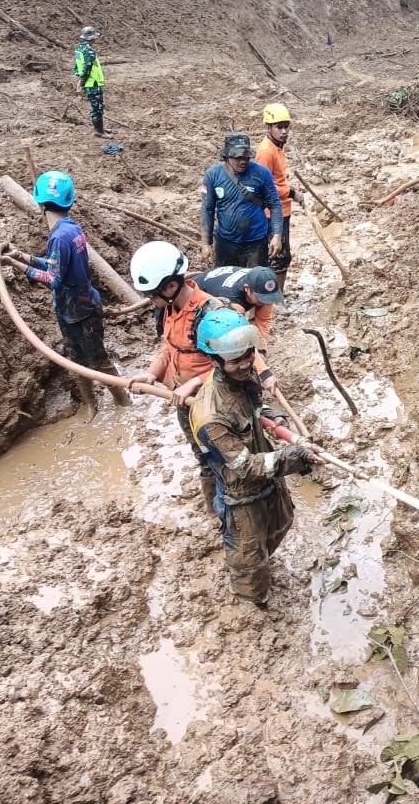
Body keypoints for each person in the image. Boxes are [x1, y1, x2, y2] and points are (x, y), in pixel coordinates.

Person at [189, 308, 319, 605]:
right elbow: (244, 467)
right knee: (249, 568)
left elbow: (255, 409)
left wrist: (273, 418)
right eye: (236, 360)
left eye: (249, 354)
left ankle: (263, 560)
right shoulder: (211, 416)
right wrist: (295, 456)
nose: (246, 363)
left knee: (281, 525)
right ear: (215, 361)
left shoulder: (244, 380)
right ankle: (253, 606)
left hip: (269, 484)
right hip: (242, 497)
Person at [1, 170, 129, 420]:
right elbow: (54, 264)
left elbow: (53, 278)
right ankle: (93, 404)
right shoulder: (71, 228)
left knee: (98, 360)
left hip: (80, 311)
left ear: (39, 202)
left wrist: (16, 266)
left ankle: (123, 401)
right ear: (70, 200)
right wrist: (23, 256)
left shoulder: (59, 236)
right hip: (73, 308)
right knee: (75, 359)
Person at [129, 241, 222, 511]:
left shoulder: (211, 313)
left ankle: (232, 510)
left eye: (152, 295)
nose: (150, 301)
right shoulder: (169, 308)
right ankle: (213, 509)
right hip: (185, 400)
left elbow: (234, 366)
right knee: (203, 455)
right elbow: (170, 347)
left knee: (224, 456)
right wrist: (151, 374)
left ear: (170, 286)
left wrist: (194, 383)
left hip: (213, 401)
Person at [153, 264, 283, 392]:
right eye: (261, 299)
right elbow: (239, 340)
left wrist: (261, 350)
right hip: (196, 297)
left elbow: (263, 322)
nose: (266, 302)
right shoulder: (227, 304)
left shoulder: (260, 287)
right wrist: (264, 373)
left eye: (269, 299)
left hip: (208, 290)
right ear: (247, 289)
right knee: (208, 348)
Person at [201, 132, 284, 270]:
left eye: (246, 157)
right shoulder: (213, 175)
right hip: (225, 242)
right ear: (226, 156)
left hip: (256, 242)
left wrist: (277, 235)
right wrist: (206, 242)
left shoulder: (262, 173)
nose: (243, 161)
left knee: (254, 284)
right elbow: (207, 209)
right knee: (226, 283)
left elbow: (275, 205)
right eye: (238, 157)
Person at [255, 104, 301, 293]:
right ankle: (273, 298)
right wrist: (291, 193)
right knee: (277, 256)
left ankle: (276, 294)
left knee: (282, 255)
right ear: (269, 127)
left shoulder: (277, 147)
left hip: (282, 209)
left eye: (286, 126)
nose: (283, 131)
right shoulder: (266, 152)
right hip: (272, 212)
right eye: (278, 127)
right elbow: (265, 186)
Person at [73, 27, 109, 137]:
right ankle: (99, 131)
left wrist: (80, 80)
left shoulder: (79, 48)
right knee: (97, 107)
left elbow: (78, 67)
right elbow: (87, 69)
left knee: (96, 106)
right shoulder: (89, 51)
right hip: (93, 83)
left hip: (89, 82)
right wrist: (82, 83)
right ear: (92, 38)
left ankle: (100, 128)